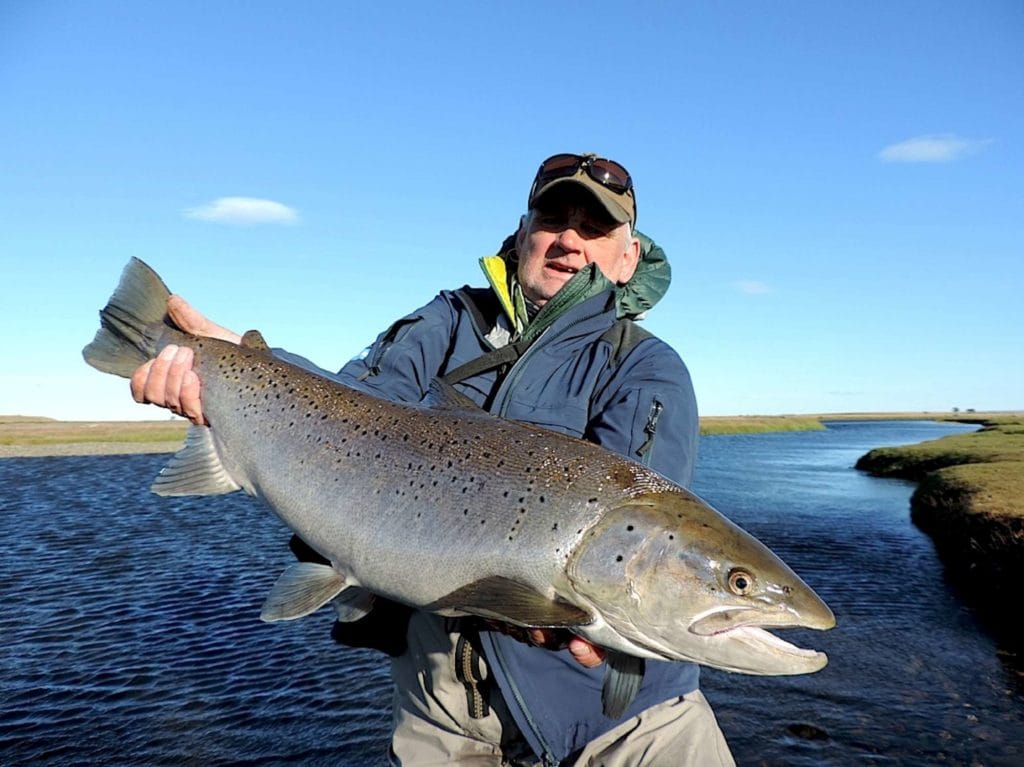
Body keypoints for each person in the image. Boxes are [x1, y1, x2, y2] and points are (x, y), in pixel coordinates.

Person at [131, 152, 736, 766]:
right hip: (446, 712)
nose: (570, 241)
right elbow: (353, 406)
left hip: (632, 725)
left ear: (629, 255)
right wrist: (241, 361)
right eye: (554, 218)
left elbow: (642, 531)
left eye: (597, 227)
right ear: (524, 233)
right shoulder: (447, 320)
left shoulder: (645, 366)